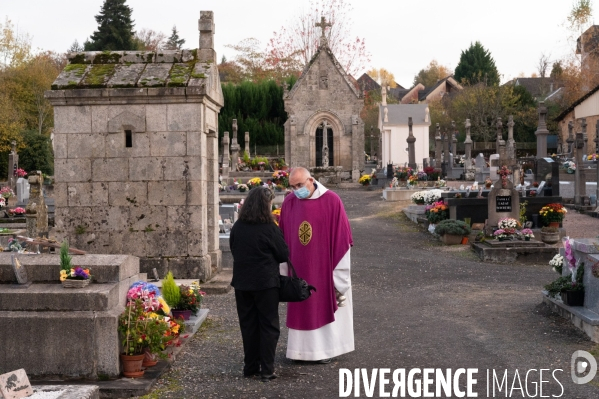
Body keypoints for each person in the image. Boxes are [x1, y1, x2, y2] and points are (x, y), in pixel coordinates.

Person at [278, 167, 354, 363]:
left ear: (311, 180)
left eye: (300, 185)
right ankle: (299, 351)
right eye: (293, 187)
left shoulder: (332, 201)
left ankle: (325, 351)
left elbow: (341, 238)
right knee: (300, 303)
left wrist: (339, 279)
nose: (296, 190)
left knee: (320, 303)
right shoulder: (289, 203)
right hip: (298, 267)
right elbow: (282, 237)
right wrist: (283, 272)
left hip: (323, 267)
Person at [230, 187, 289, 382]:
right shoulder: (270, 228)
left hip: (242, 283)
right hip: (266, 284)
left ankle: (250, 367)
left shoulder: (238, 227)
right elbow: (283, 255)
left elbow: (233, 249)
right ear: (266, 206)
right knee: (269, 326)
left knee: (248, 325)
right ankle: (267, 369)